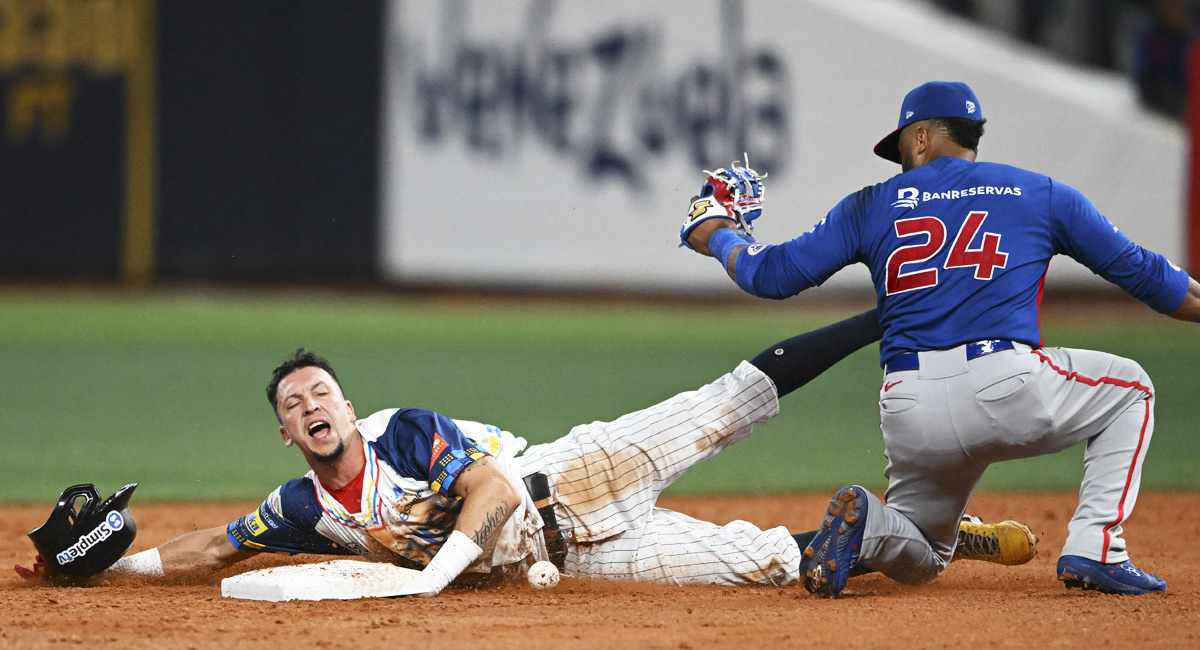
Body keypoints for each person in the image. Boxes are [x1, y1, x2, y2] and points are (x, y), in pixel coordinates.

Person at [18, 312, 1034, 591]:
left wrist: (434, 583)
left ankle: (880, 314)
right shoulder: (303, 502)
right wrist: (113, 563)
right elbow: (218, 545)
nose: (314, 404)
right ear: (284, 430)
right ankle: (929, 544)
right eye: (297, 402)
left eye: (323, 390)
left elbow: (493, 487)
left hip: (576, 473)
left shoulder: (400, 430)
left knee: (724, 405)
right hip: (579, 556)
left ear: (347, 402)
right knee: (768, 561)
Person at [682, 80, 1200, 597]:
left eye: (902, 145)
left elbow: (772, 276)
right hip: (1008, 384)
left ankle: (869, 529)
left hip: (910, 405)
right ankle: (1098, 549)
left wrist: (720, 232)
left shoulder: (870, 204)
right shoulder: (1038, 192)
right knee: (1131, 389)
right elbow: (1150, 277)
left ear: (924, 137)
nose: (900, 158)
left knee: (926, 551)